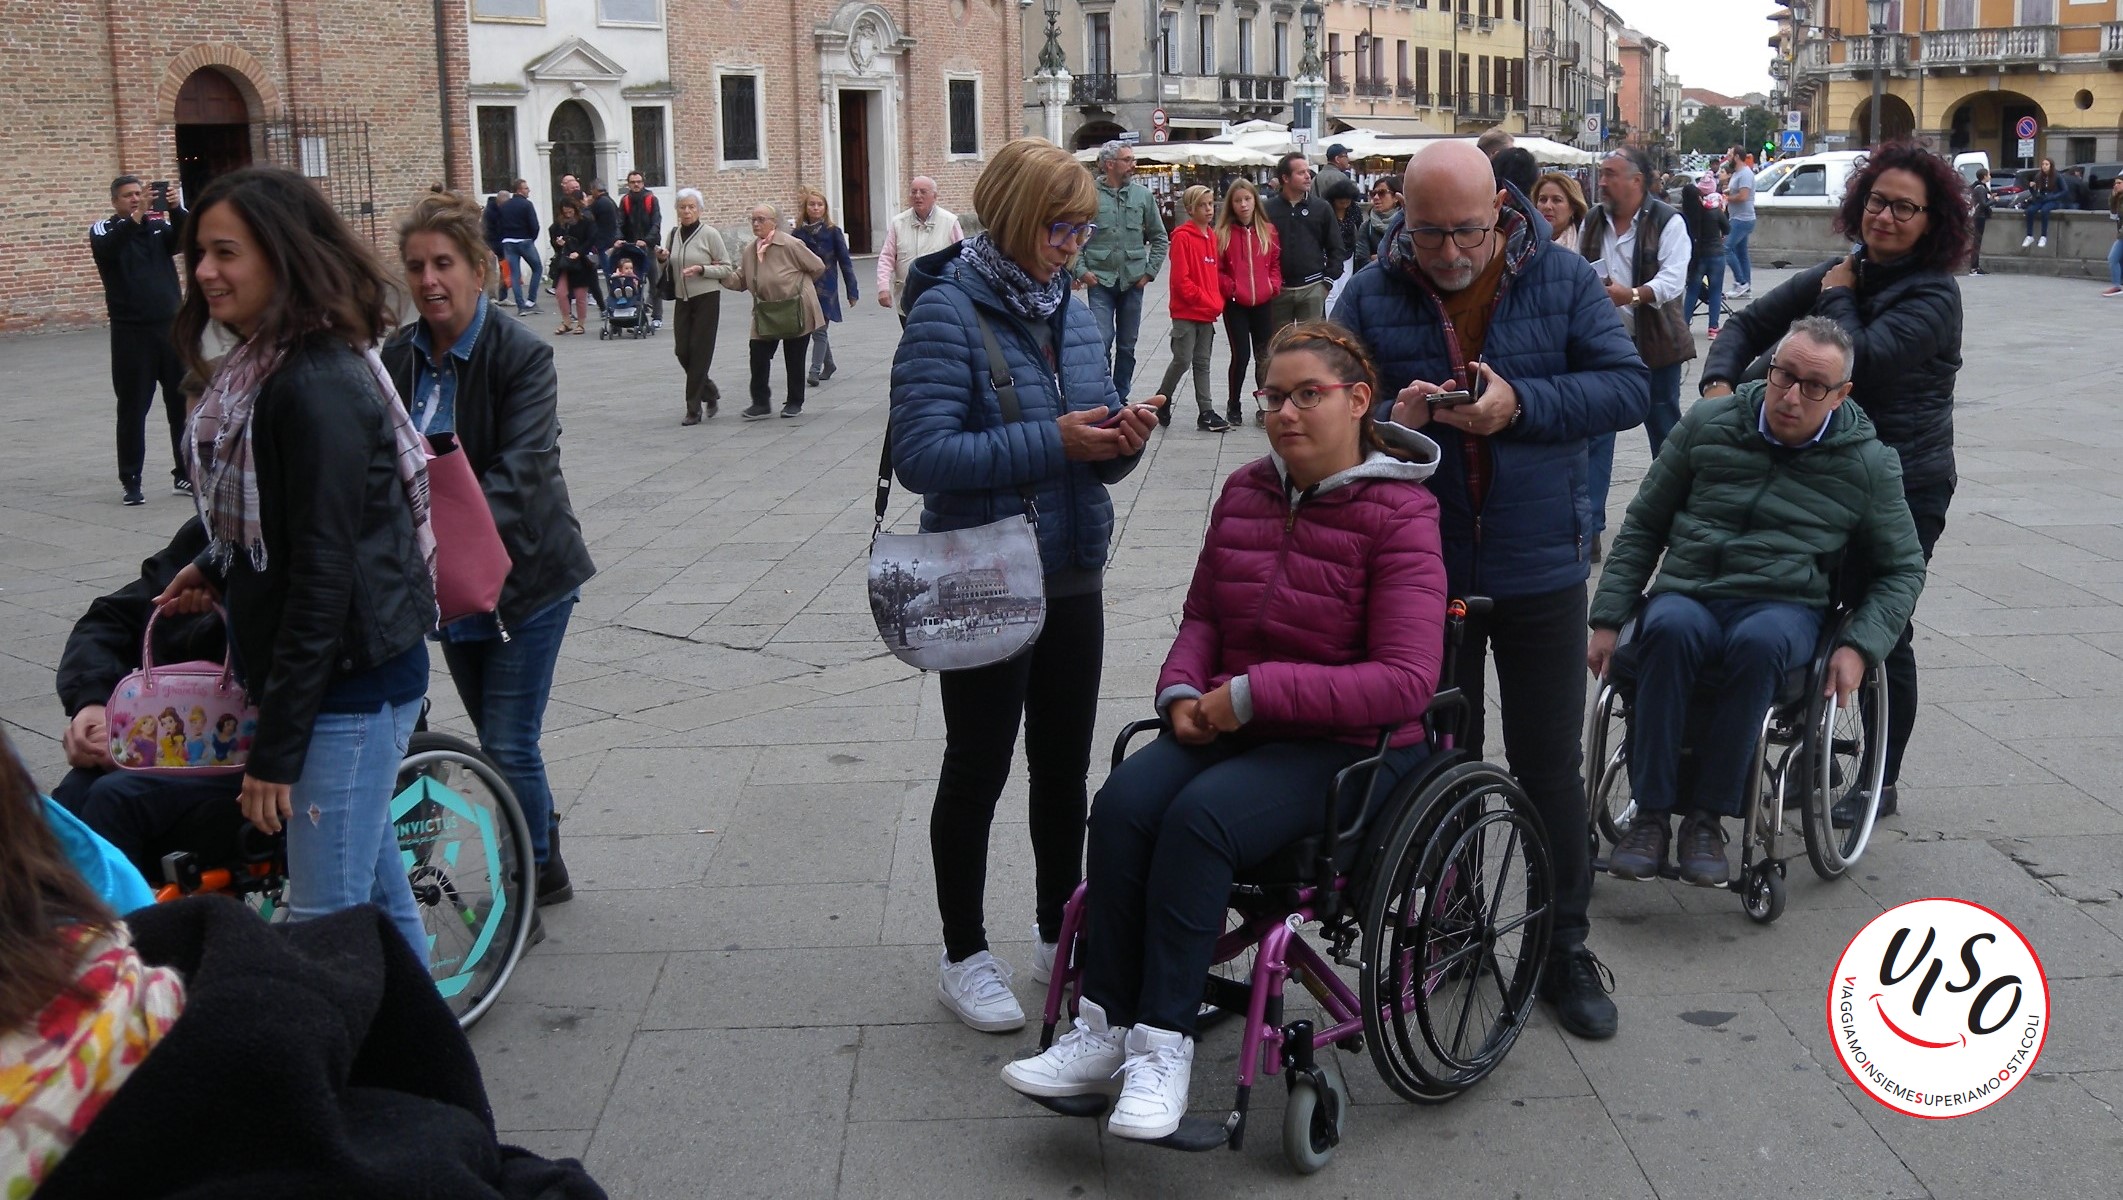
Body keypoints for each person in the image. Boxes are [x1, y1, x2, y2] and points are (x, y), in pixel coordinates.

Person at [999, 321, 1445, 1139]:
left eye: (1307, 395)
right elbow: (1204, 614)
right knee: (1126, 802)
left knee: (1200, 822)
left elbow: (1405, 679)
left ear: (1356, 400)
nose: (1285, 413)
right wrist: (1178, 690)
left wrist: (1246, 695)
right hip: (1236, 719)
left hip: (1353, 749)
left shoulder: (1400, 513)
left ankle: (1162, 1042)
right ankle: (1103, 1025)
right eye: (1273, 397)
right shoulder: (1246, 489)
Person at [1334, 138, 1648, 1041]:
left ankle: (1561, 949)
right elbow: (1331, 406)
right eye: (1425, 232)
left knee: (1549, 766)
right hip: (1420, 566)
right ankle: (1453, 927)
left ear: (1500, 213)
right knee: (1435, 761)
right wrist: (1385, 423)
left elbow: (1624, 388)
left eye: (1466, 231)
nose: (1446, 252)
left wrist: (1522, 407)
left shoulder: (1561, 278)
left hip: (1539, 558)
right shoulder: (1368, 288)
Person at [891, 137, 1160, 1034]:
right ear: (1013, 217)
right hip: (980, 572)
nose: (1074, 243)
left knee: (1061, 767)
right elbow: (923, 457)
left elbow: (1085, 454)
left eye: (1083, 226)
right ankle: (962, 953)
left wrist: (1118, 442)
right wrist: (1059, 441)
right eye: (1059, 226)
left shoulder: (1070, 310)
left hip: (1071, 570)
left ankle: (1058, 930)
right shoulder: (944, 310)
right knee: (976, 767)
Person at [154, 166, 436, 959]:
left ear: (280, 256)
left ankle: (340, 1078)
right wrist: (215, 563)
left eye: (225, 252)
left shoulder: (311, 383)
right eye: (198, 254)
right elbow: (276, 521)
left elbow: (323, 574)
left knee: (322, 926)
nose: (205, 271)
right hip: (334, 676)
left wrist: (275, 754)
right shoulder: (268, 369)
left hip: (348, 683)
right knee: (376, 898)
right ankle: (429, 1058)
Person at [1590, 318, 1927, 884]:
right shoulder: (1709, 424)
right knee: (1667, 630)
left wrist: (1862, 647)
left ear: (1841, 395)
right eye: (1783, 376)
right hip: (1691, 588)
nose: (1791, 397)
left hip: (1786, 604)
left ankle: (1706, 817)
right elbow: (1644, 524)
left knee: (1758, 643)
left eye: (1813, 387)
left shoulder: (1867, 463)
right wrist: (1607, 617)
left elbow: (1902, 569)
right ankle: (1649, 814)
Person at [1700, 140, 1968, 824]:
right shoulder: (1840, 273)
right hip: (1818, 475)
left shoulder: (1933, 296)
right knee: (1808, 609)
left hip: (1903, 485)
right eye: (1876, 200)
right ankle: (1807, 757)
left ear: (1930, 220)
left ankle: (1879, 782)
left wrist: (1839, 297)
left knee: (1882, 626)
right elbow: (1748, 323)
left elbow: (1864, 364)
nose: (1884, 217)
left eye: (1903, 208)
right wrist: (1717, 384)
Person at [382, 191, 598, 907]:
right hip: (447, 588)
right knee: (497, 737)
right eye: (415, 267)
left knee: (507, 743)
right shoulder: (397, 358)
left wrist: (430, 534)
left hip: (526, 578)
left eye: (443, 263)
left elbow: (524, 468)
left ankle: (527, 882)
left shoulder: (521, 355)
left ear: (479, 268)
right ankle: (549, 859)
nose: (428, 281)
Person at [47, 517, 242, 880]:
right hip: (172, 736)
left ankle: (124, 930)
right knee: (68, 803)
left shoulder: (293, 522)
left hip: (258, 750)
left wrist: (227, 600)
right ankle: (63, 928)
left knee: (114, 800)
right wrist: (91, 704)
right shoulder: (212, 525)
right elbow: (111, 619)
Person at [1581, 145, 1692, 567]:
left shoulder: (1668, 221)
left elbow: (1672, 280)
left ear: (1637, 181)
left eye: (1610, 174)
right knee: (1595, 435)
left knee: (1665, 431)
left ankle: (1677, 519)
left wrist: (1628, 293)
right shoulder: (1595, 218)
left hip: (1655, 343)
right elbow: (1581, 266)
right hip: (1604, 343)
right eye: (1602, 173)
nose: (1602, 181)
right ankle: (1590, 528)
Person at [90, 175, 191, 506]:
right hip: (131, 335)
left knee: (181, 405)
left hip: (170, 330)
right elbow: (111, 248)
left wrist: (176, 209)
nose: (136, 199)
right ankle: (131, 479)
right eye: (128, 196)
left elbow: (185, 239)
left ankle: (185, 473)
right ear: (115, 201)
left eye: (139, 194)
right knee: (133, 407)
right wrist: (137, 216)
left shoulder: (158, 228)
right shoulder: (104, 230)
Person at [1079, 141, 1170, 403]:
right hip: (1100, 279)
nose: (1133, 164)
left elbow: (1160, 237)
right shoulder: (1089, 195)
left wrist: (1149, 273)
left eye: (1132, 159)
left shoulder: (1142, 196)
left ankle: (1120, 395)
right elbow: (1073, 234)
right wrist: (1082, 270)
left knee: (1127, 345)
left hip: (1132, 281)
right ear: (1110, 164)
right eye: (1127, 160)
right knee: (1102, 340)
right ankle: (1103, 393)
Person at [727, 203, 826, 420]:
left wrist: (801, 287)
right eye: (753, 219)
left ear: (774, 222)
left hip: (796, 307)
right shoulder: (750, 250)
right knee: (758, 353)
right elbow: (740, 280)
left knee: (794, 356)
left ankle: (794, 402)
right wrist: (721, 275)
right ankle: (760, 403)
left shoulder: (790, 244)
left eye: (761, 219)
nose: (756, 224)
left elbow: (817, 266)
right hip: (766, 310)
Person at [661, 186, 737, 424]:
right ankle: (710, 391)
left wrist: (702, 269)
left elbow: (726, 267)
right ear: (677, 210)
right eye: (683, 207)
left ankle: (693, 409)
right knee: (682, 350)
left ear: (700, 210)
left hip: (706, 297)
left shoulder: (710, 234)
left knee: (700, 353)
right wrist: (662, 259)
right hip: (682, 299)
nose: (687, 211)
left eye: (692, 207)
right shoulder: (673, 234)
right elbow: (669, 266)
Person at [1155, 185, 1227, 433]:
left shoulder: (1212, 237)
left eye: (1210, 204)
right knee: (1182, 359)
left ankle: (1205, 411)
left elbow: (1213, 274)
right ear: (1190, 209)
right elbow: (1181, 281)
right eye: (1202, 206)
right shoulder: (1182, 237)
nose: (1209, 210)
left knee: (1202, 362)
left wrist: (1215, 300)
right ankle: (1162, 399)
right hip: (1187, 311)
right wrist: (1209, 300)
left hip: (1206, 312)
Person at [1216, 178, 1282, 429]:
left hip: (1263, 301)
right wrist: (1230, 288)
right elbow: (1218, 269)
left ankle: (1264, 405)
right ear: (1231, 205)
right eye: (1238, 200)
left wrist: (1273, 284)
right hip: (1236, 304)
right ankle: (1234, 403)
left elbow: (1275, 262)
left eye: (1247, 199)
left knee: (1264, 356)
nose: (1243, 205)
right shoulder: (1223, 234)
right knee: (1241, 355)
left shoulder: (1268, 230)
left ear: (1255, 200)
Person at [1265, 152, 1343, 337]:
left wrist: (1327, 282)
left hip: (1313, 288)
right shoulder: (1267, 209)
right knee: (1278, 345)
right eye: (1301, 173)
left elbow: (1336, 247)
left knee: (1310, 345)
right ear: (1285, 178)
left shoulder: (1321, 208)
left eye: (1308, 171)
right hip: (1278, 291)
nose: (1308, 176)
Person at [793, 185, 859, 387]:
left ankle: (814, 370)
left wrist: (852, 290)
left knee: (819, 329)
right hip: (805, 287)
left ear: (825, 208)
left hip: (826, 288)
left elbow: (845, 262)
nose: (815, 208)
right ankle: (829, 364)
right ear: (806, 208)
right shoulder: (797, 234)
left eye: (819, 204)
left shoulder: (833, 232)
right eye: (812, 205)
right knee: (815, 328)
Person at [877, 176, 965, 325]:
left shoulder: (949, 222)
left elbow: (962, 259)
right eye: (913, 192)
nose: (917, 196)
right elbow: (887, 257)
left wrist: (962, 289)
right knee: (912, 340)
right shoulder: (898, 223)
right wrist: (883, 287)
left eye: (923, 192)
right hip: (907, 297)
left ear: (934, 196)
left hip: (941, 297)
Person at [1679, 174, 1730, 340]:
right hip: (1716, 255)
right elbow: (1727, 228)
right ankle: (1713, 328)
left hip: (1697, 257)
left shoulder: (1685, 215)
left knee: (1692, 291)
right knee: (1715, 291)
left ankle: (1684, 325)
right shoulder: (1713, 211)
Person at [617, 171, 664, 327]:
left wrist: (646, 241)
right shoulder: (625, 201)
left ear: (643, 183)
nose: (636, 184)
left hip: (647, 248)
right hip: (631, 248)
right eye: (632, 182)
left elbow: (656, 223)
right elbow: (619, 223)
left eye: (638, 181)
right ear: (628, 184)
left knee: (654, 281)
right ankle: (636, 315)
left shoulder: (651, 199)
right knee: (632, 282)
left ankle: (657, 316)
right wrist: (618, 239)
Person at [548, 198, 597, 335]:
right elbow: (553, 237)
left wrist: (579, 252)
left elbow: (591, 238)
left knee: (580, 294)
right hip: (564, 263)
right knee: (560, 292)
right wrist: (558, 243)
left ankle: (581, 324)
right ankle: (566, 321)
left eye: (570, 211)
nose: (567, 214)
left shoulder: (585, 222)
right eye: (565, 212)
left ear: (575, 210)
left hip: (581, 263)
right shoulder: (558, 224)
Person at [496, 178, 541, 315]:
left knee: (515, 274)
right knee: (537, 268)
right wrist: (531, 238)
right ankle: (531, 301)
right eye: (526, 188)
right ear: (519, 190)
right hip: (524, 240)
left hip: (508, 241)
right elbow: (534, 225)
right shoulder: (527, 205)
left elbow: (499, 225)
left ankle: (521, 306)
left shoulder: (504, 206)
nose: (528, 191)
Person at [1724, 145, 1757, 297]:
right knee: (1741, 253)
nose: (1728, 158)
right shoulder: (1738, 173)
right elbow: (1736, 191)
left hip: (1742, 218)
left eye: (1730, 155)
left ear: (1737, 157)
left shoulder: (1745, 174)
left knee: (1726, 248)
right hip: (1738, 217)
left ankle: (1741, 282)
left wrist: (1726, 198)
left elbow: (1743, 196)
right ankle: (1746, 286)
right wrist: (1727, 192)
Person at [584, 179, 619, 315]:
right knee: (610, 272)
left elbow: (587, 216)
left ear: (595, 190)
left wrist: (587, 205)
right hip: (610, 241)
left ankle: (612, 301)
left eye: (591, 190)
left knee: (609, 272)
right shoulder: (609, 201)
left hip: (604, 243)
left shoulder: (599, 203)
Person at [1354, 175, 1403, 271]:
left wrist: (1377, 257)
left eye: (1382, 193)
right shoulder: (1367, 226)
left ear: (1396, 197)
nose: (1376, 197)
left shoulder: (1405, 223)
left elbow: (1407, 256)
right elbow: (1362, 259)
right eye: (1373, 193)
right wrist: (1389, 258)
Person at [1534, 170, 1588, 249]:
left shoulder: (1587, 242)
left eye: (1557, 200)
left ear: (1573, 207)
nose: (1547, 206)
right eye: (1543, 199)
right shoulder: (1524, 243)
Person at [2022, 158, 2065, 248]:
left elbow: (2065, 190)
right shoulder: (2039, 176)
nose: (2044, 166)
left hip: (2053, 200)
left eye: (2046, 164)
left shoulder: (2057, 176)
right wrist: (2031, 188)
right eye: (2043, 164)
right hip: (2041, 199)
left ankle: (2043, 236)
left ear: (2051, 166)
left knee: (2045, 211)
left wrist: (2054, 196)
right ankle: (2029, 235)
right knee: (2030, 211)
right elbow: (2035, 192)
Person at [1969, 167, 1992, 276]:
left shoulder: (1978, 187)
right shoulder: (1981, 188)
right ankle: (1974, 267)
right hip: (1979, 217)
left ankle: (1975, 267)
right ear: (1984, 176)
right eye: (1988, 175)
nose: (1990, 176)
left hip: (1978, 216)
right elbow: (1984, 204)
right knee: (1977, 242)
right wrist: (1993, 200)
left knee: (1976, 242)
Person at [2106, 177, 2123, 297]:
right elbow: (2113, 214)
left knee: (2113, 258)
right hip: (2121, 232)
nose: (2116, 185)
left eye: (2119, 183)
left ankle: (2117, 286)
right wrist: (2113, 196)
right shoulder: (2119, 198)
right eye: (2115, 183)